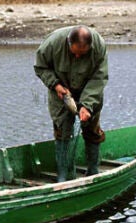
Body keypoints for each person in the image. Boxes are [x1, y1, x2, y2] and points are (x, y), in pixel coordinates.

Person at [34, 25, 108, 182]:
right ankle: (64, 175)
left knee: (92, 129)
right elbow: (40, 67)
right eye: (74, 53)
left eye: (83, 54)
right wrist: (55, 85)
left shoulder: (99, 46)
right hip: (61, 90)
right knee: (62, 130)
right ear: (68, 43)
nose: (78, 57)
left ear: (90, 47)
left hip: (89, 89)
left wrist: (87, 105)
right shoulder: (52, 44)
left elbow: (99, 78)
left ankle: (93, 171)